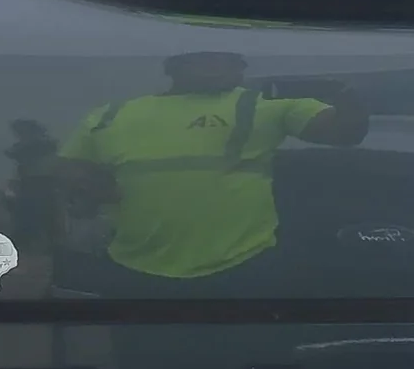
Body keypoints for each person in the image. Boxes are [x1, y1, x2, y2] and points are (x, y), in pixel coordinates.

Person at [55, 51, 366, 290]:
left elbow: (345, 133)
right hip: (134, 267)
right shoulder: (111, 115)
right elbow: (66, 169)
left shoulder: (264, 104)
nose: (224, 66)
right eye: (210, 58)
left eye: (232, 61)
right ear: (174, 66)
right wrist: (83, 187)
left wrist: (347, 91)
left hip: (244, 265)